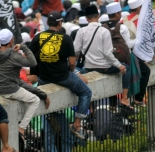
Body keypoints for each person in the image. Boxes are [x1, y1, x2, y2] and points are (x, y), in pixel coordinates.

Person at [29, 11, 92, 139]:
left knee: (53, 110)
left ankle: (53, 118)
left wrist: (36, 73)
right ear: (60, 23)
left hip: (44, 78)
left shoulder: (37, 37)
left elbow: (30, 59)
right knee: (86, 93)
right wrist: (70, 70)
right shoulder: (66, 38)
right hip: (63, 77)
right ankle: (77, 124)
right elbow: (73, 63)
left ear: (47, 23)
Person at [0, 29, 50, 139]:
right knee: (35, 100)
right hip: (10, 90)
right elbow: (33, 63)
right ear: (11, 41)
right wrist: (23, 47)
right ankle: (22, 128)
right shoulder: (14, 56)